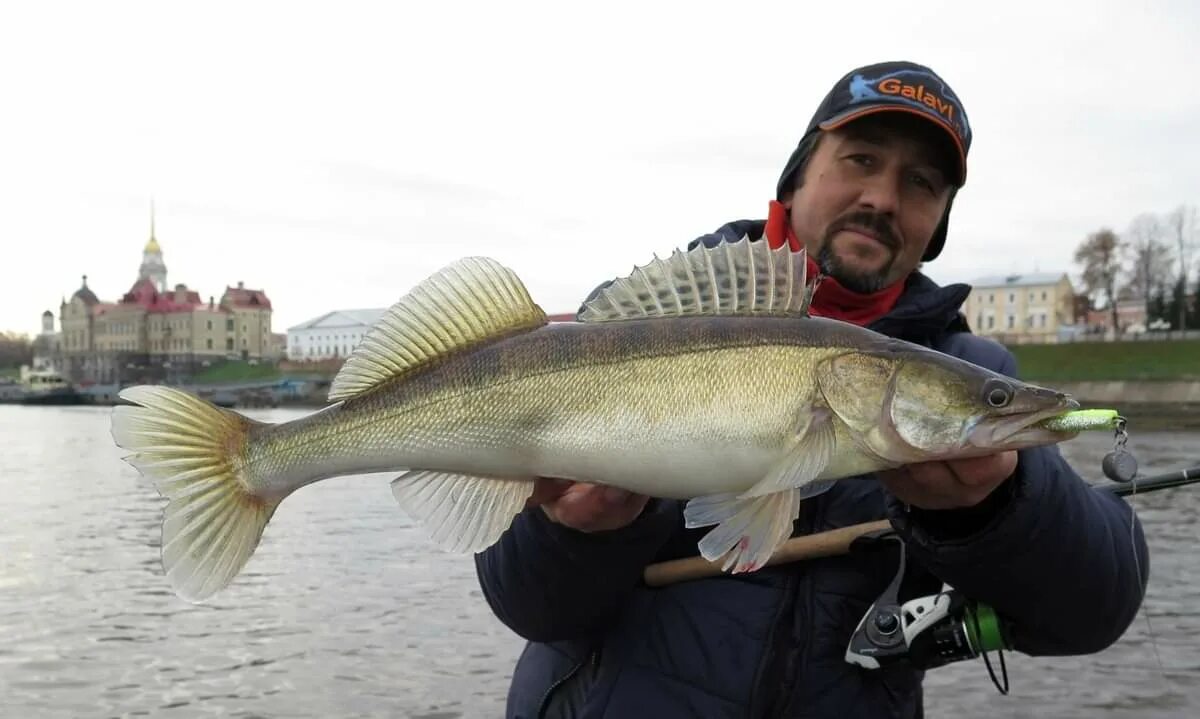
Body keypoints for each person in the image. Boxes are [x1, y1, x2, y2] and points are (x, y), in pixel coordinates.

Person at [473, 60, 1150, 719]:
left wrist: (993, 511)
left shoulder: (969, 363)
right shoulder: (635, 328)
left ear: (937, 223)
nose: (883, 197)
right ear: (797, 176)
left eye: (920, 183)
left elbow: (1093, 611)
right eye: (860, 158)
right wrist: (570, 531)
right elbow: (529, 606)